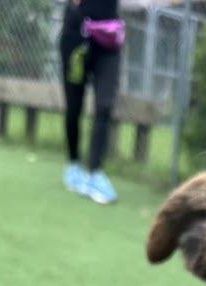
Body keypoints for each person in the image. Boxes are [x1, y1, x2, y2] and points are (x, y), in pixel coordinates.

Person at [59, 0, 124, 204]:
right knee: (74, 107)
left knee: (104, 107)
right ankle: (73, 164)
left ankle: (95, 173)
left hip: (108, 40)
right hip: (76, 39)